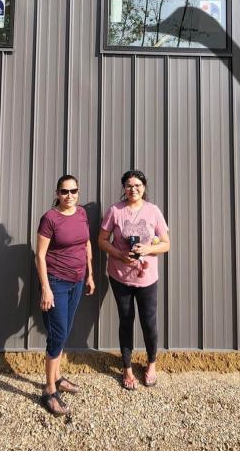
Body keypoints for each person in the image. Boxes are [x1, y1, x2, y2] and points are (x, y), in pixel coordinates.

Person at [98, 169, 171, 390]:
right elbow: (102, 239)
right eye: (129, 185)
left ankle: (151, 364)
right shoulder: (115, 211)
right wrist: (120, 254)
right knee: (126, 320)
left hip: (147, 278)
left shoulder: (153, 211)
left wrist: (148, 248)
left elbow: (166, 243)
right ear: (124, 188)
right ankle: (127, 368)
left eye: (137, 185)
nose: (133, 189)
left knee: (149, 322)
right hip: (119, 276)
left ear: (144, 187)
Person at [35, 174, 95, 416]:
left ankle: (57, 377)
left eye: (73, 191)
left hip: (78, 282)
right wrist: (46, 288)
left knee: (65, 330)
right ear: (57, 193)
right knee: (58, 334)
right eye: (64, 192)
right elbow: (40, 255)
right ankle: (49, 389)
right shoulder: (50, 218)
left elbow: (86, 244)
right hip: (56, 283)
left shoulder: (81, 213)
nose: (69, 196)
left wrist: (90, 274)